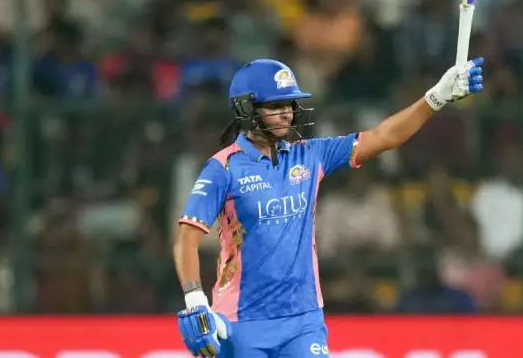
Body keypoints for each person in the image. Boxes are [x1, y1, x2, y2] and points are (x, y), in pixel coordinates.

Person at [175, 57, 484, 357]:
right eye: (275, 106)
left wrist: (436, 97)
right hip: (242, 321)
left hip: (303, 321)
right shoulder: (223, 168)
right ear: (247, 108)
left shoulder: (310, 155)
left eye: (289, 105)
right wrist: (195, 299)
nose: (286, 114)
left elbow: (385, 136)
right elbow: (187, 238)